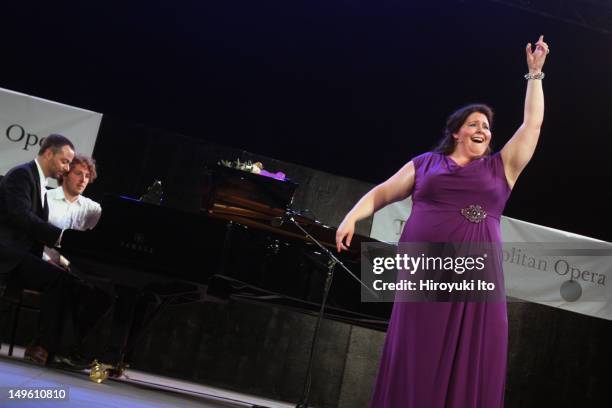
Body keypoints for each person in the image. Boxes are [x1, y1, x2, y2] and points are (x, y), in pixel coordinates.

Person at [335, 35, 549, 407]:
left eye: (487, 125)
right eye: (474, 123)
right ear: (456, 131)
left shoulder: (502, 167)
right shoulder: (425, 164)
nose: (483, 129)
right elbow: (381, 194)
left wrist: (535, 75)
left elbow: (532, 126)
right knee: (419, 348)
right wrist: (351, 217)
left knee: (475, 350)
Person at [0, 134, 75, 365]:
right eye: (64, 161)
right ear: (49, 153)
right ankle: (42, 347)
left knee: (65, 277)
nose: (67, 167)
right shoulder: (22, 174)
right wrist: (59, 236)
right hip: (6, 254)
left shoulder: (39, 180)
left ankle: (54, 347)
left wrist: (47, 258)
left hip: (20, 254)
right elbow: (20, 216)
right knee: (58, 281)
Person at [43, 154, 102, 267]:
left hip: (76, 271)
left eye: (87, 175)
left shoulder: (94, 209)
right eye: (78, 173)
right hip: (42, 263)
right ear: (65, 174)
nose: (83, 180)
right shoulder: (45, 198)